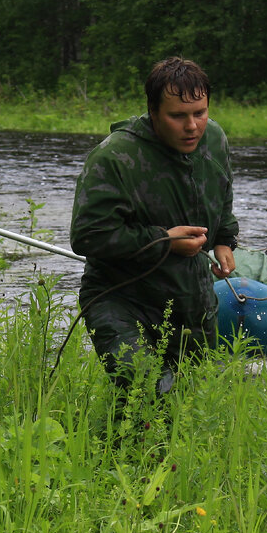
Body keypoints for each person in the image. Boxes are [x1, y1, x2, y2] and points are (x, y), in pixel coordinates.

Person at [70, 56, 238, 395]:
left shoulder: (214, 139)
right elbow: (88, 236)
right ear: (153, 111)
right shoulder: (114, 157)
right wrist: (164, 240)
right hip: (122, 298)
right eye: (178, 116)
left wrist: (223, 240)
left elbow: (222, 195)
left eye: (200, 113)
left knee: (190, 406)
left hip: (191, 302)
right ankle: (112, 447)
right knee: (146, 388)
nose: (192, 126)